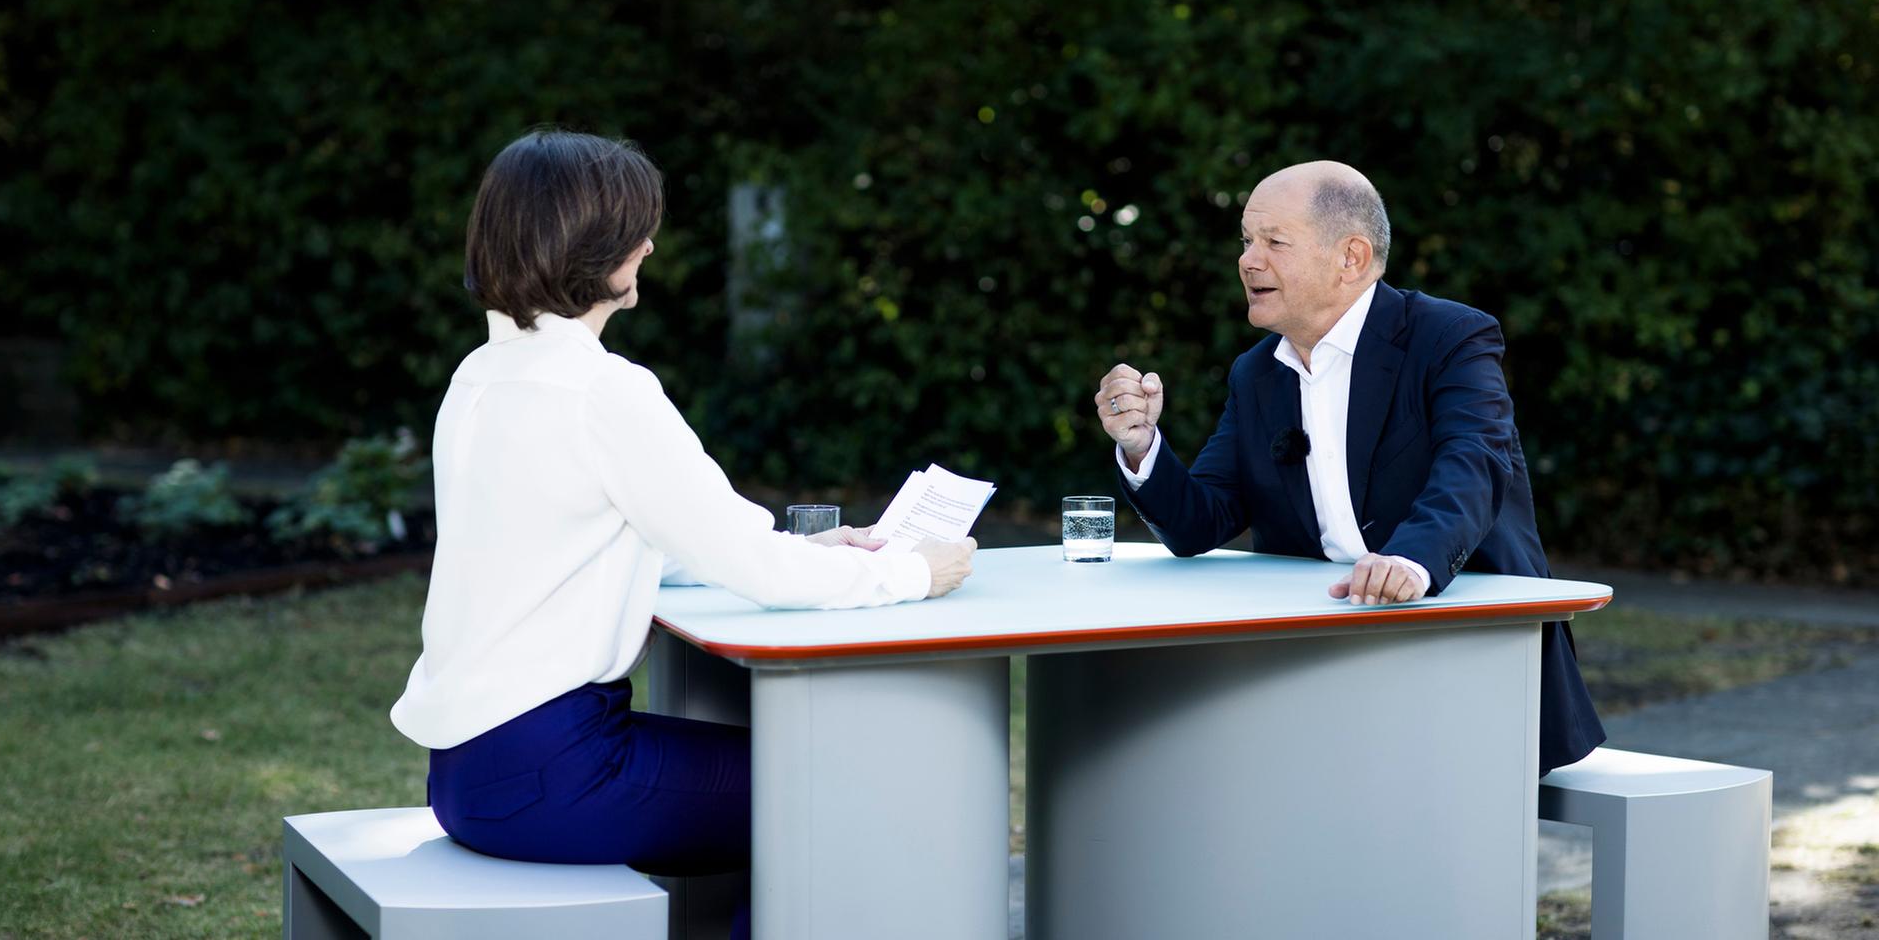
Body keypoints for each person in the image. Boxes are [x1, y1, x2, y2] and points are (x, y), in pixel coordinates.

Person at [390, 129, 975, 940]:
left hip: (466, 775)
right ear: (595, 246)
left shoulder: (481, 374)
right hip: (555, 771)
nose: (651, 244)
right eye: (638, 227)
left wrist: (802, 551)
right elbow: (753, 569)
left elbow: (591, 543)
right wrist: (914, 573)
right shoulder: (603, 389)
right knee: (834, 796)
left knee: (773, 786)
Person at [1094, 160, 1603, 774]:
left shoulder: (1449, 337)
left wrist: (1410, 562)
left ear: (1351, 258)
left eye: (1274, 242)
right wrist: (1141, 445)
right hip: (1319, 659)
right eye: (1246, 241)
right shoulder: (1257, 374)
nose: (1249, 261)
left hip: (1473, 648)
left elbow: (1473, 464)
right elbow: (1199, 522)